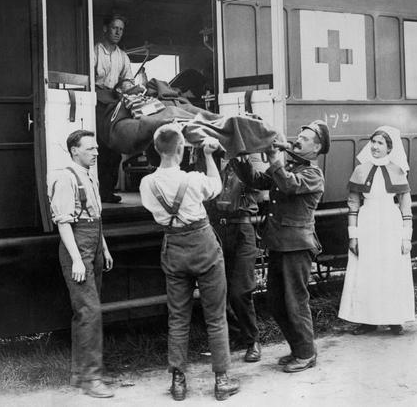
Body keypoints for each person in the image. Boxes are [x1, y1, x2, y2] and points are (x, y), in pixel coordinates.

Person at [139, 124, 240, 401]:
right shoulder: (194, 179)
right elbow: (216, 187)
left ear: (158, 149)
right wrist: (208, 156)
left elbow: (153, 210)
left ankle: (178, 381)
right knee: (216, 317)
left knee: (178, 317)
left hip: (174, 248)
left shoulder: (147, 184)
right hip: (203, 245)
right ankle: (222, 380)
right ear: (181, 149)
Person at [231, 120, 330, 373]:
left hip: (296, 246)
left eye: (305, 138)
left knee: (295, 301)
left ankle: (306, 353)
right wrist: (237, 156)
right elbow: (256, 180)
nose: (298, 139)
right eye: (299, 134)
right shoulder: (287, 166)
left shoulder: (313, 174)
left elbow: (287, 184)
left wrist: (275, 158)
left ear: (316, 148)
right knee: (276, 301)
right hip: (279, 243)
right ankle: (299, 349)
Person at [49, 130, 115, 398]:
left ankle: (80, 374)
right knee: (90, 312)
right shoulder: (65, 178)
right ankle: (92, 378)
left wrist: (105, 248)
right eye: (90, 149)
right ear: (74, 151)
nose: (96, 153)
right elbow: (64, 222)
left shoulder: (89, 175)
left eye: (97, 148)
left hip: (94, 244)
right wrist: (77, 259)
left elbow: (95, 217)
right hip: (78, 247)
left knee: (84, 312)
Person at [338, 126, 414, 336]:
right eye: (373, 142)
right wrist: (353, 236)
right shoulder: (361, 170)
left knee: (391, 270)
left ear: (390, 148)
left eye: (380, 143)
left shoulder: (398, 171)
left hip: (391, 223)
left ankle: (394, 319)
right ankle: (367, 320)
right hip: (367, 222)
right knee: (367, 271)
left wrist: (406, 237)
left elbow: (406, 206)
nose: (374, 146)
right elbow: (353, 203)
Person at [212, 158, 262, 363]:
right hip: (216, 229)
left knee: (241, 290)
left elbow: (258, 182)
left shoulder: (247, 160)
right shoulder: (208, 158)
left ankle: (253, 340)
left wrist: (243, 162)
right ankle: (237, 335)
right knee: (218, 290)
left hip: (242, 228)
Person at [94, 14, 135, 203]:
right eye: (114, 28)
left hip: (114, 102)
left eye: (121, 29)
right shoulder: (95, 50)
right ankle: (98, 192)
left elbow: (127, 80)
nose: (118, 32)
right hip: (96, 102)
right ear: (105, 29)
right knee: (100, 147)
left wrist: (126, 87)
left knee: (115, 148)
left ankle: (108, 192)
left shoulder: (123, 56)